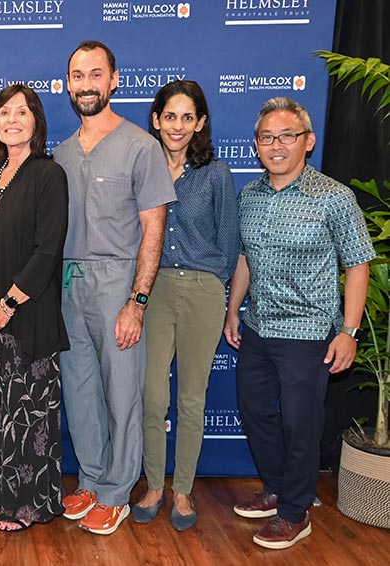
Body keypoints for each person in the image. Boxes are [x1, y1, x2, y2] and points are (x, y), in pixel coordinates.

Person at [223, 97, 374, 549]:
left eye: (286, 136)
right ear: (255, 145)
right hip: (258, 328)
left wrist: (348, 332)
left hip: (309, 334)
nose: (276, 144)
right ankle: (276, 487)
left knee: (300, 423)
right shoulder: (248, 196)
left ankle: (295, 511)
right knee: (253, 410)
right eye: (267, 137)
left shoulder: (334, 197)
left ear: (307, 142)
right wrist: (234, 309)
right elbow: (246, 258)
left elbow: (359, 265)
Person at [53, 40, 176, 535]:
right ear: (68, 85)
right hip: (68, 282)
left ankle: (117, 490)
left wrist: (137, 300)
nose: (87, 85)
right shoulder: (59, 154)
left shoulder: (141, 147)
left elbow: (155, 227)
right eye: (77, 76)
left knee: (122, 391)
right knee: (80, 389)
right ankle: (90, 477)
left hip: (118, 282)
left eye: (95, 75)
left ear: (114, 80)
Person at [132, 80, 239, 530]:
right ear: (156, 120)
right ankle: (154, 484)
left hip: (202, 291)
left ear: (200, 123)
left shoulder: (216, 174)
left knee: (192, 399)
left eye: (187, 117)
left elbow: (230, 243)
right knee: (152, 395)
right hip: (152, 292)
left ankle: (182, 492)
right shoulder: (141, 167)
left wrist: (214, 286)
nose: (177, 126)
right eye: (169, 116)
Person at [0, 84, 69, 532]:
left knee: (26, 414)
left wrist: (5, 304)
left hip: (27, 316)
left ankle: (28, 504)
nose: (12, 120)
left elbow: (48, 250)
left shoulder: (49, 174)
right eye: (3, 112)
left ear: (36, 122)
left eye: (21, 112)